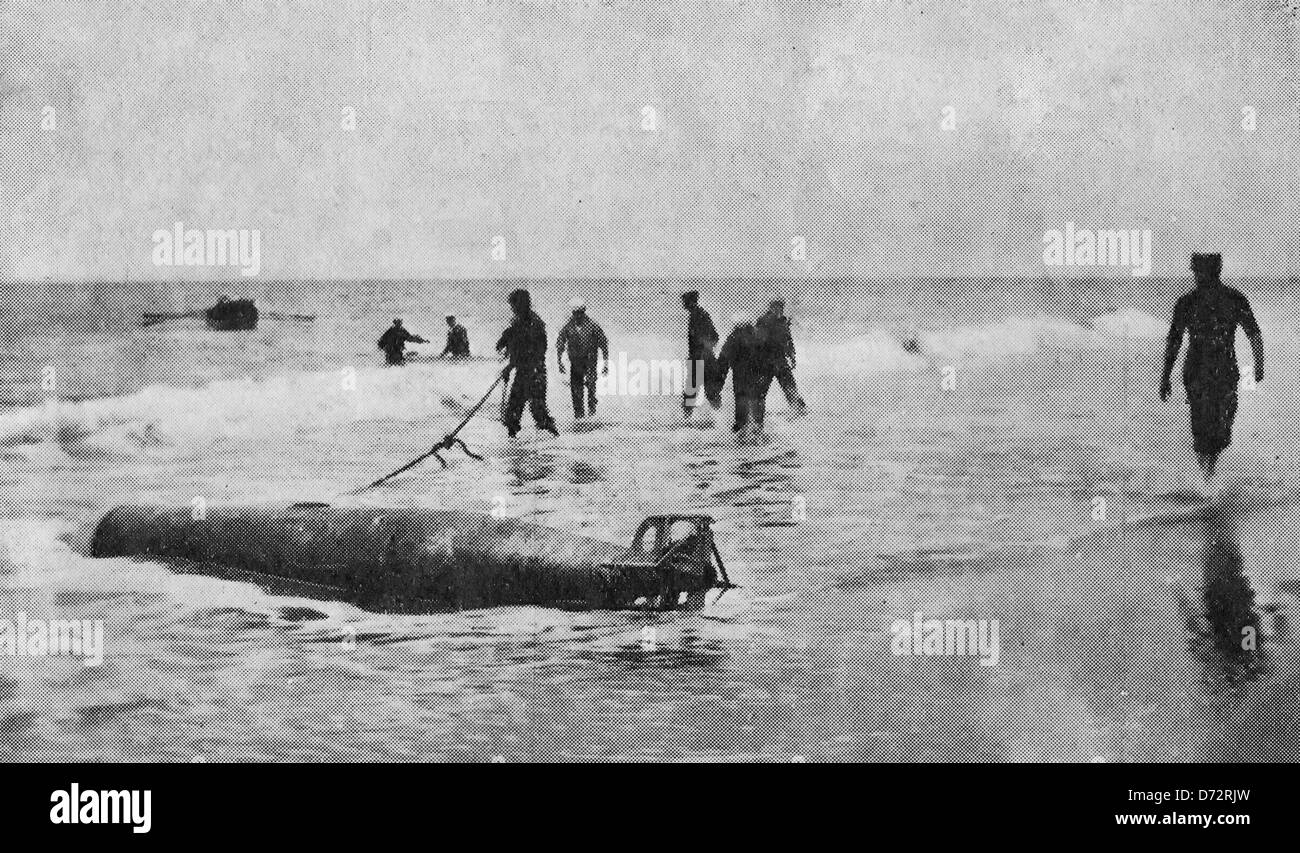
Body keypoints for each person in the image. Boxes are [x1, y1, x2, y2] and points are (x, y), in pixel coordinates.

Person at [1160, 253, 1264, 480]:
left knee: (1220, 430)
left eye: (1201, 272)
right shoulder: (1188, 303)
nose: (1198, 277)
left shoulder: (1233, 299)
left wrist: (1259, 365)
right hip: (1201, 373)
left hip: (1223, 372)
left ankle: (1208, 473)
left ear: (1214, 271)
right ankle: (1207, 477)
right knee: (1203, 427)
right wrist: (1165, 376)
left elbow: (1254, 333)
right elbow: (1174, 341)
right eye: (1197, 272)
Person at [496, 289, 559, 438]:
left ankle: (557, 441)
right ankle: (511, 445)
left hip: (535, 372)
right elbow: (511, 338)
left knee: (538, 411)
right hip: (523, 371)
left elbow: (531, 352)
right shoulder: (518, 322)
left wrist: (510, 366)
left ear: (522, 304)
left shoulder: (535, 324)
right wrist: (503, 342)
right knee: (513, 410)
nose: (512, 308)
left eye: (514, 305)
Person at [715, 314, 776, 435]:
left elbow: (723, 362)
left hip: (741, 378)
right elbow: (769, 359)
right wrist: (766, 378)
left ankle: (741, 430)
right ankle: (757, 429)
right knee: (758, 400)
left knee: (742, 400)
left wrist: (717, 385)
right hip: (757, 377)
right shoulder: (758, 336)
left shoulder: (733, 338)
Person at [556, 297, 610, 418]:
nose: (578, 316)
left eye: (580, 313)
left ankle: (592, 412)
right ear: (573, 313)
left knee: (591, 386)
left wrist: (606, 364)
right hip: (575, 363)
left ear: (584, 311)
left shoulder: (593, 326)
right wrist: (559, 361)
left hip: (590, 361)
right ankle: (579, 415)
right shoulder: (568, 327)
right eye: (576, 313)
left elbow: (604, 344)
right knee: (576, 390)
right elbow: (560, 343)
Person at [756, 299, 807, 417]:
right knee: (761, 387)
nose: (779, 310)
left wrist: (792, 356)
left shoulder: (782, 322)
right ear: (771, 308)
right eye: (777, 307)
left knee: (789, 384)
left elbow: (788, 340)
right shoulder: (764, 321)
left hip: (779, 359)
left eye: (781, 307)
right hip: (767, 360)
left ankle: (797, 406)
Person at [681, 290, 722, 415]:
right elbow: (714, 337)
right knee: (707, 391)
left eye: (685, 301)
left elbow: (713, 337)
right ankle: (721, 419)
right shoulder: (699, 314)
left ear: (690, 302)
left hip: (701, 358)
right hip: (703, 357)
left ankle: (686, 420)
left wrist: (703, 351)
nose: (683, 304)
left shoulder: (698, 315)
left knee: (693, 391)